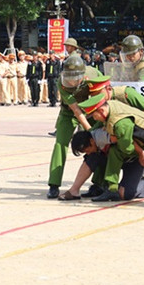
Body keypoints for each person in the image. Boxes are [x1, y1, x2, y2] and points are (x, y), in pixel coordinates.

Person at [46, 54, 102, 199]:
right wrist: (89, 131)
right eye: (68, 77)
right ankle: (54, 184)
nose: (71, 81)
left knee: (99, 144)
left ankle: (98, 184)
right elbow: (76, 111)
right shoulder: (61, 82)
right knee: (60, 143)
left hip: (91, 111)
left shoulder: (93, 74)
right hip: (69, 112)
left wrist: (94, 132)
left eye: (74, 78)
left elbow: (104, 92)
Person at [59, 130, 144, 201]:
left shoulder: (104, 136)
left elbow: (125, 139)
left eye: (86, 150)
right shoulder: (92, 139)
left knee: (124, 194)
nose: (87, 152)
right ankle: (74, 190)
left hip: (135, 160)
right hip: (118, 160)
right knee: (91, 157)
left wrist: (141, 153)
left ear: (91, 141)